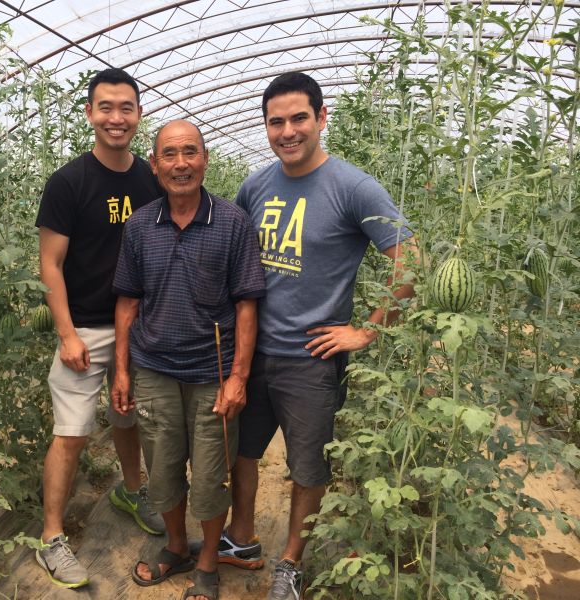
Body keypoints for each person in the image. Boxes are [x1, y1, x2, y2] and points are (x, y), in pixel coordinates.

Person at [225, 72, 416, 600]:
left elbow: (411, 263)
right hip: (251, 354)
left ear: (321, 118)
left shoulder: (353, 187)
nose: (288, 131)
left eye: (299, 118)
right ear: (266, 127)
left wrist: (366, 332)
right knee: (242, 454)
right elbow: (233, 257)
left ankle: (290, 561)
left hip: (311, 360)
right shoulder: (256, 184)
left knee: (308, 466)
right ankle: (240, 538)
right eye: (276, 121)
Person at [111, 120, 265, 600]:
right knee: (162, 467)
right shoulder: (140, 226)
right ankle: (176, 545)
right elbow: (128, 303)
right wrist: (121, 368)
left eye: (190, 152)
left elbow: (246, 304)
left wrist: (238, 375)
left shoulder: (233, 222)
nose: (181, 164)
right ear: (154, 165)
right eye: (170, 155)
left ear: (205, 159)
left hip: (212, 374)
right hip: (154, 369)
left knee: (212, 469)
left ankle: (206, 562)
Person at [34, 67, 166, 590]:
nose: (117, 117)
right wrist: (66, 334)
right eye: (106, 107)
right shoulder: (70, 182)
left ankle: (132, 491)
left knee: (128, 416)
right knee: (71, 434)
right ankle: (50, 537)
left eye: (126, 107)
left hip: (139, 325)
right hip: (86, 328)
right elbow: (49, 265)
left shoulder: (150, 180)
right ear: (89, 113)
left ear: (138, 114)